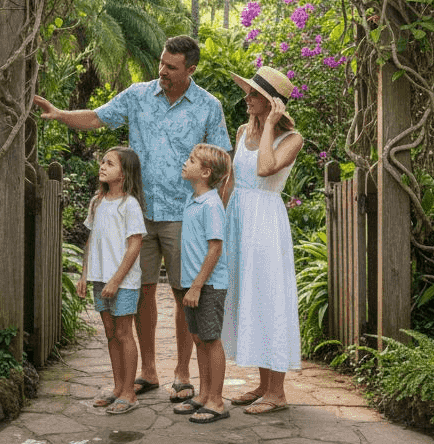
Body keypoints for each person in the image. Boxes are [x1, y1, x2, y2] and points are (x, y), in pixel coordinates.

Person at [33, 35, 231, 402]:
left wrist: (216, 213)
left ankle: (182, 373)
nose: (162, 72)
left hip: (183, 217)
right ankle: (149, 370)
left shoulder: (208, 105)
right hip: (139, 215)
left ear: (190, 69)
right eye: (161, 63)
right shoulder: (139, 94)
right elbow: (97, 117)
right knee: (141, 293)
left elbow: (224, 164)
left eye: (171, 67)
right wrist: (60, 115)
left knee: (183, 293)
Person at [221, 66, 305, 414]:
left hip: (266, 223)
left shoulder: (292, 139)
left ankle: (278, 393)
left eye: (254, 94)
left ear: (271, 104)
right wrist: (219, 223)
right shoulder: (242, 131)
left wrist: (270, 125)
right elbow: (230, 182)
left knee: (269, 297)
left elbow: (265, 168)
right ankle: (262, 384)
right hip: (238, 220)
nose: (246, 98)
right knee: (247, 296)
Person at [78, 147, 148, 415]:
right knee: (110, 334)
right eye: (102, 162)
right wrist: (86, 274)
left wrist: (116, 280)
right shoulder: (97, 202)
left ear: (124, 173)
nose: (102, 166)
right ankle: (118, 388)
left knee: (123, 333)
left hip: (123, 281)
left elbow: (135, 245)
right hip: (100, 279)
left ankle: (130, 393)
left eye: (110, 163)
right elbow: (91, 240)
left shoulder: (129, 205)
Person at [171, 143, 231, 423]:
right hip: (192, 283)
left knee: (210, 339)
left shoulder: (211, 204)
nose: (186, 162)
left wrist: (197, 286)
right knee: (198, 338)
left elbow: (215, 248)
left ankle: (217, 401)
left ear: (205, 172)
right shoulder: (192, 199)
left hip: (207, 285)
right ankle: (204, 394)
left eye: (192, 160)